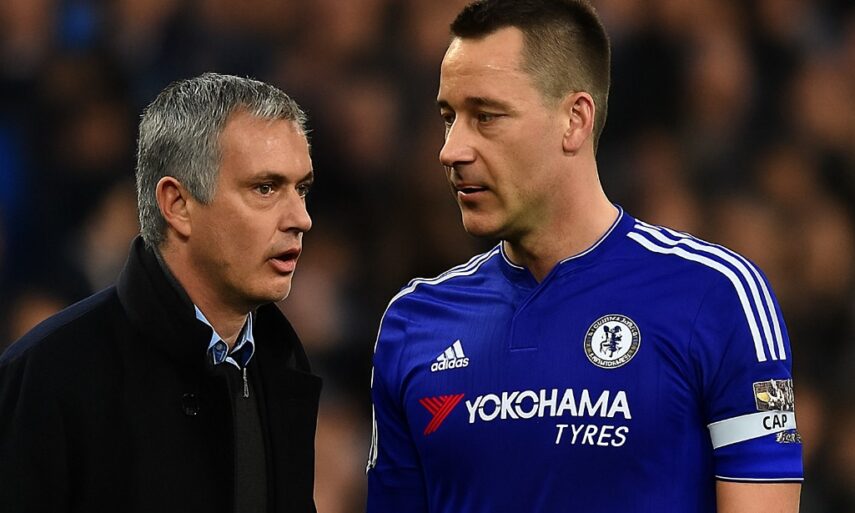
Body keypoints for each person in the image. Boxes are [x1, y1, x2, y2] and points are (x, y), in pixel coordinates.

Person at [366, 1, 803, 512]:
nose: (451, 149)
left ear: (574, 120)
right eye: (449, 117)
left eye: (486, 117)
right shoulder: (413, 323)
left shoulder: (716, 295)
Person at [0, 73, 321, 513]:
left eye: (301, 189)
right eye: (265, 188)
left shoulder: (283, 363)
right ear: (177, 204)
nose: (301, 218)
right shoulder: (48, 375)